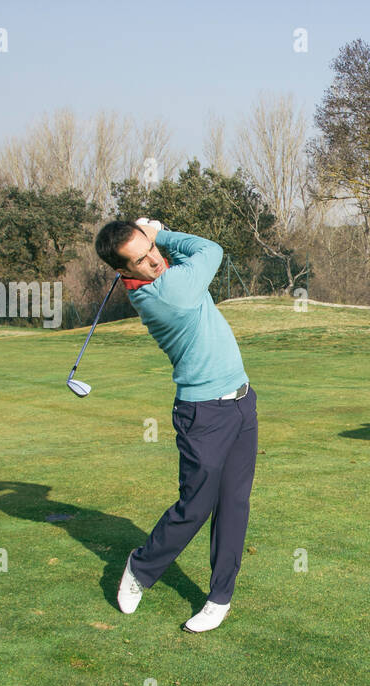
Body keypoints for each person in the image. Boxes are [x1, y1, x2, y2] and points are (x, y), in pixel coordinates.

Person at [93, 218, 257, 633]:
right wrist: (160, 233)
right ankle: (140, 568)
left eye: (150, 250)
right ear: (124, 273)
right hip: (203, 415)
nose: (153, 260)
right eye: (140, 259)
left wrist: (151, 240)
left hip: (241, 401)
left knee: (234, 505)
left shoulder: (165, 276)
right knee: (196, 506)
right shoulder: (165, 294)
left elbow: (190, 257)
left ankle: (220, 597)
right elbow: (211, 250)